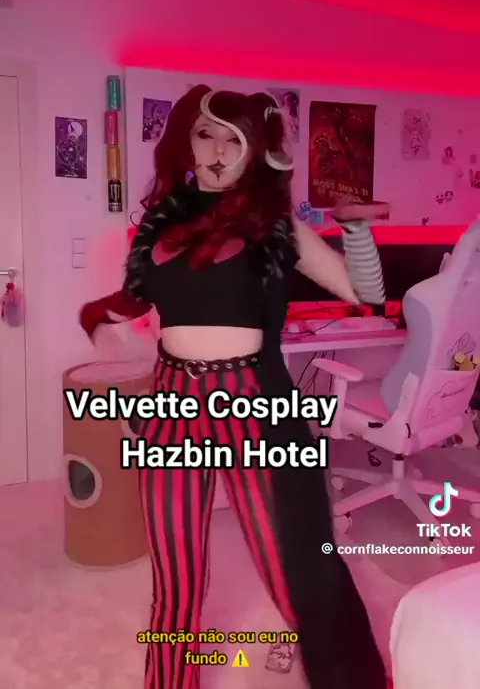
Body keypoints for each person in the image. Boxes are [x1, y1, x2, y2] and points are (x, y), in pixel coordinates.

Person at [79, 85, 388, 689]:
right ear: (187, 142)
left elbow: (364, 293)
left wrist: (356, 230)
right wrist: (98, 317)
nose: (219, 151)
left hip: (251, 403)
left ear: (255, 152)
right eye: (207, 135)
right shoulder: (160, 225)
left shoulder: (274, 223)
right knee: (175, 581)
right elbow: (140, 296)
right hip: (171, 403)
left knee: (292, 568)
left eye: (235, 140)